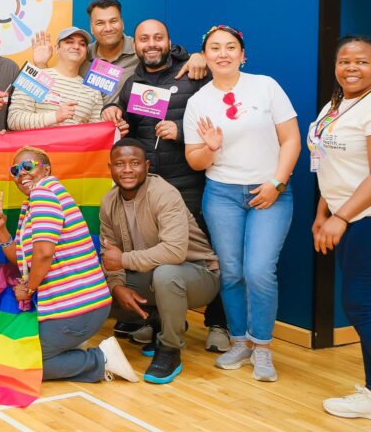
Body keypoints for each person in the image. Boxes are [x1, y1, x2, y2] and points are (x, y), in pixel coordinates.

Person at [100, 19, 229, 353]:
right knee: (155, 255)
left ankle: (218, 325)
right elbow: (126, 133)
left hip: (189, 184)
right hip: (149, 189)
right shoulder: (133, 83)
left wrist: (182, 132)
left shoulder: (194, 73)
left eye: (158, 38)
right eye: (144, 39)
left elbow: (220, 124)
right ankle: (162, 322)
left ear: (170, 42)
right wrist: (113, 112)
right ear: (136, 45)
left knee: (204, 254)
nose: (151, 44)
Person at [184, 25, 300, 382]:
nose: (223, 53)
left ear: (243, 54)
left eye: (230, 47)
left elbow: (292, 139)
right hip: (222, 195)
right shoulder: (198, 101)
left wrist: (276, 183)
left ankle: (262, 347)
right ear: (205, 56)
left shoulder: (266, 86)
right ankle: (240, 342)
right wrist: (211, 147)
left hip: (269, 192)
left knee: (259, 271)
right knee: (232, 272)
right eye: (215, 48)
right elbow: (195, 161)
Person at [0, 146, 137, 383]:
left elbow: (44, 254)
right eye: (15, 170)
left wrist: (28, 289)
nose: (21, 173)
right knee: (12, 350)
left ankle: (100, 360)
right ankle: (70, 346)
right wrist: (1, 230)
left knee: (22, 363)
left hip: (78, 308)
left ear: (46, 169)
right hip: (76, 306)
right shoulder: (37, 200)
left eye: (28, 166)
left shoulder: (44, 193)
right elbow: (23, 260)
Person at [100, 139, 221, 384]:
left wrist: (123, 260)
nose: (127, 170)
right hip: (151, 275)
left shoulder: (164, 193)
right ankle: (160, 322)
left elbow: (175, 252)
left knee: (166, 274)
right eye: (120, 164)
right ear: (110, 168)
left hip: (198, 274)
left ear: (146, 166)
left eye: (135, 163)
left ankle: (170, 349)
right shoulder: (108, 202)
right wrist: (116, 286)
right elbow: (110, 257)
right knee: (98, 289)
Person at [309, 36, 371, 419]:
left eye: (362, 61)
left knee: (361, 305)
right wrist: (323, 210)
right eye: (344, 61)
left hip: (363, 218)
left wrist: (341, 216)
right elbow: (326, 161)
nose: (351, 67)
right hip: (345, 214)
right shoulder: (336, 105)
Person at [32, 0, 207, 107]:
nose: (108, 28)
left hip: (133, 128)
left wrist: (195, 57)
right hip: (91, 130)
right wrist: (41, 64)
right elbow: (56, 85)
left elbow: (166, 52)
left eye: (113, 21)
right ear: (92, 28)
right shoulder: (81, 54)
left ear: (122, 23)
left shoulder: (141, 48)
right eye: (100, 23)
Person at [7, 27, 102, 130]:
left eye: (82, 44)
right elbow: (14, 120)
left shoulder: (94, 91)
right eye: (69, 42)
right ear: (57, 48)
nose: (76, 46)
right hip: (35, 146)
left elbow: (97, 132)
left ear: (86, 52)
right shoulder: (34, 76)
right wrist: (55, 117)